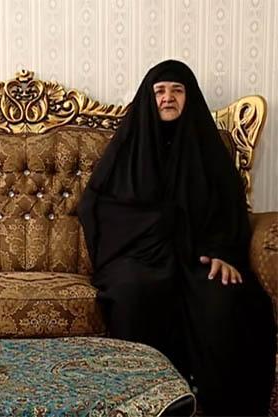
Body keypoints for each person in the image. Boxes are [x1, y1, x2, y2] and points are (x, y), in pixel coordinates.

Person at [78, 60, 276, 415]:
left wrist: (222, 251)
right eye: (160, 91)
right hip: (138, 256)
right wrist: (145, 238)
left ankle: (213, 405)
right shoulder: (129, 146)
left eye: (177, 90)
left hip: (198, 257)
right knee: (133, 292)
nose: (168, 98)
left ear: (189, 97)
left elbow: (229, 206)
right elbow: (98, 204)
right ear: (149, 98)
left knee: (225, 299)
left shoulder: (207, 148)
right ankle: (144, 402)